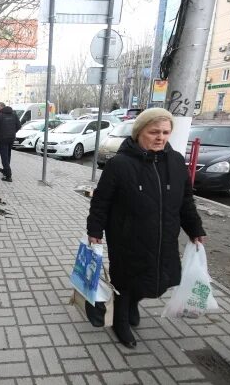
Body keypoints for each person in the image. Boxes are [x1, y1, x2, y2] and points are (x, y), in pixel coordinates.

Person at [86, 108, 206, 349]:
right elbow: (101, 201)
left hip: (163, 236)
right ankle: (121, 320)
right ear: (139, 132)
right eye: (154, 132)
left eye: (165, 132)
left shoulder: (175, 161)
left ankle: (132, 304)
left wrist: (195, 229)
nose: (160, 137)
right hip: (126, 236)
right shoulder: (119, 164)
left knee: (157, 280)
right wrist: (95, 231)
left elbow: (185, 201)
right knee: (125, 280)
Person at [0, 105, 21, 182]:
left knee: (4, 156)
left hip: (2, 139)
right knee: (8, 154)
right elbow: (19, 126)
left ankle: (8, 175)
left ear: (2, 108)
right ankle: (5, 169)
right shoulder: (14, 115)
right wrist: (12, 132)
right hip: (11, 138)